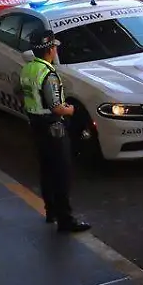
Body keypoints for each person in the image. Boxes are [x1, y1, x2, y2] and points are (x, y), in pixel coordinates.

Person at [19, 29, 91, 233]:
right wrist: (73, 109)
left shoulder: (28, 69)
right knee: (61, 173)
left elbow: (22, 94)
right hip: (53, 128)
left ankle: (51, 211)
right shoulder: (48, 74)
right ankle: (65, 219)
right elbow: (56, 107)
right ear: (50, 49)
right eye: (54, 47)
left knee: (47, 171)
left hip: (35, 125)